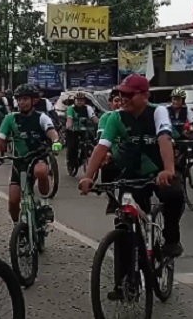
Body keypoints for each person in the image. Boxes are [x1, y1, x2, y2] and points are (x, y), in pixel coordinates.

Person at [79, 74, 185, 260]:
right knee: (124, 221)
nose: (123, 99)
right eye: (121, 94)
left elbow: (164, 138)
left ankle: (171, 239)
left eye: (129, 94)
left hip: (157, 172)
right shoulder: (115, 117)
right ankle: (124, 283)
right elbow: (102, 146)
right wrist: (88, 176)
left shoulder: (157, 111)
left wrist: (168, 170)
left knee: (173, 194)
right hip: (130, 172)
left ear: (145, 96)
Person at [0, 84, 61, 222]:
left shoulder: (41, 117)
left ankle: (45, 204)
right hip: (19, 162)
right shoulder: (10, 118)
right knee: (13, 202)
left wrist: (55, 141)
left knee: (41, 171)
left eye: (25, 99)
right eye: (19, 99)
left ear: (34, 101)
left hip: (38, 157)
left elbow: (51, 131)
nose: (21, 102)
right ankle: (18, 229)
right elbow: (0, 138)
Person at [65, 91, 99, 170]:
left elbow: (94, 119)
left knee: (91, 141)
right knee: (72, 146)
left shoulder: (88, 108)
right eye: (78, 100)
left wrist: (101, 124)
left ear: (84, 101)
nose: (80, 102)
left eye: (81, 100)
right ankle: (71, 162)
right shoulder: (71, 108)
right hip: (73, 130)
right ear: (75, 100)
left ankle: (85, 157)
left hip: (84, 129)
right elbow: (69, 119)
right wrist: (69, 126)